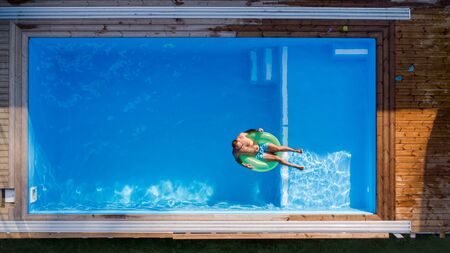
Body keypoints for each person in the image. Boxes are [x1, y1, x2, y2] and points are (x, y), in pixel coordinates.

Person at [231, 128, 304, 170]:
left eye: (241, 145)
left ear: (238, 141)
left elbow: (249, 131)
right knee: (277, 158)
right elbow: (238, 160)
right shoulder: (235, 152)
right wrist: (245, 165)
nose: (242, 147)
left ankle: (295, 150)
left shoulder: (242, 136)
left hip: (261, 146)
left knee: (278, 148)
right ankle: (296, 166)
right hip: (258, 155)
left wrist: (257, 130)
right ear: (236, 148)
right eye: (239, 148)